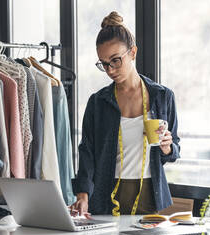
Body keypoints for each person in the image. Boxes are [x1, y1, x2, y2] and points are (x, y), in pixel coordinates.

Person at [71, 11, 180, 216]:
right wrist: (83, 194)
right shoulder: (98, 102)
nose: (110, 69)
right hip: (106, 196)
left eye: (115, 60)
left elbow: (174, 151)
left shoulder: (162, 96)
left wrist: (167, 148)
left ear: (133, 52)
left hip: (150, 195)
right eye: (103, 63)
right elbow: (87, 151)